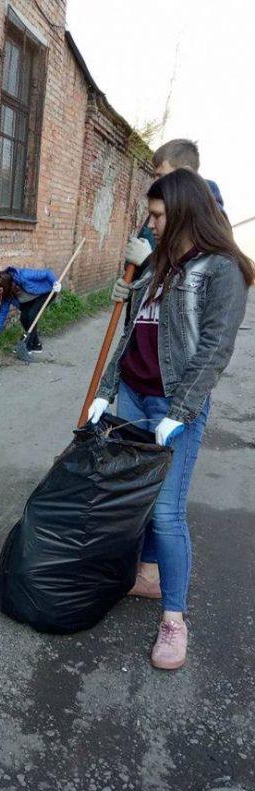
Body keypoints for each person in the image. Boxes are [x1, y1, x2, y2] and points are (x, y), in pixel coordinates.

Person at [87, 169, 252, 670]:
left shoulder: (220, 270)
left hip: (171, 406)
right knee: (136, 501)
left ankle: (174, 620)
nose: (150, 224)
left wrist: (179, 412)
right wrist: (106, 391)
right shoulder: (157, 263)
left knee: (166, 511)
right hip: (134, 397)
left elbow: (214, 350)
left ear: (182, 211)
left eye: (157, 215)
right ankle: (147, 574)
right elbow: (132, 336)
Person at [121, 138, 226, 279]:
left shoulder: (210, 218)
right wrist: (131, 287)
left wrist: (147, 261)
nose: (156, 182)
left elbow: (191, 277)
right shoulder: (162, 206)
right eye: (155, 176)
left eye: (161, 176)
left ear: (186, 172)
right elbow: (138, 257)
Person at [0, 267, 61, 354]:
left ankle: (27, 345)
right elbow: (2, 312)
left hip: (45, 293)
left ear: (5, 284)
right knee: (24, 318)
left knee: (31, 315)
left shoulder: (23, 275)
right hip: (29, 301)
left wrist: (55, 282)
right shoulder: (6, 294)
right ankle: (36, 345)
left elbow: (47, 273)